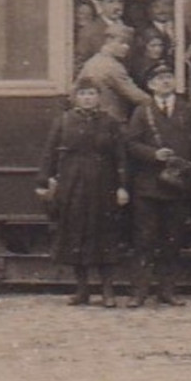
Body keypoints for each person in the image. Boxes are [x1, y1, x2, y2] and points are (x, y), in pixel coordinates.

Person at [37, 77, 129, 306]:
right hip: (73, 186)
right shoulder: (64, 121)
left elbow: (122, 158)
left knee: (104, 236)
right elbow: (49, 154)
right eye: (83, 94)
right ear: (76, 97)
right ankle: (82, 289)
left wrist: (122, 186)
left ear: (99, 97)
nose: (88, 98)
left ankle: (108, 291)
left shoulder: (110, 122)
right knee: (75, 235)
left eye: (92, 94)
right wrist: (43, 182)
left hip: (102, 186)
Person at [123, 61, 191, 307]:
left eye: (169, 77)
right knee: (145, 239)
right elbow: (131, 144)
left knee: (173, 239)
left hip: (177, 185)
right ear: (150, 85)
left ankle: (167, 291)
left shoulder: (188, 109)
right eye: (159, 79)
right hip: (148, 186)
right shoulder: (141, 111)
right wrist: (153, 155)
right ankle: (140, 291)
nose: (165, 82)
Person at [77, 25, 152, 122]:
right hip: (112, 121)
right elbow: (135, 95)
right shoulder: (112, 66)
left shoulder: (92, 61)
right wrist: (157, 104)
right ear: (109, 41)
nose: (126, 47)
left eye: (128, 43)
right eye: (122, 42)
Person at [76, 0, 129, 67]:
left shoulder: (127, 29)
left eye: (120, 1)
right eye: (110, 2)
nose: (117, 6)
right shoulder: (89, 32)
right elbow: (80, 66)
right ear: (101, 4)